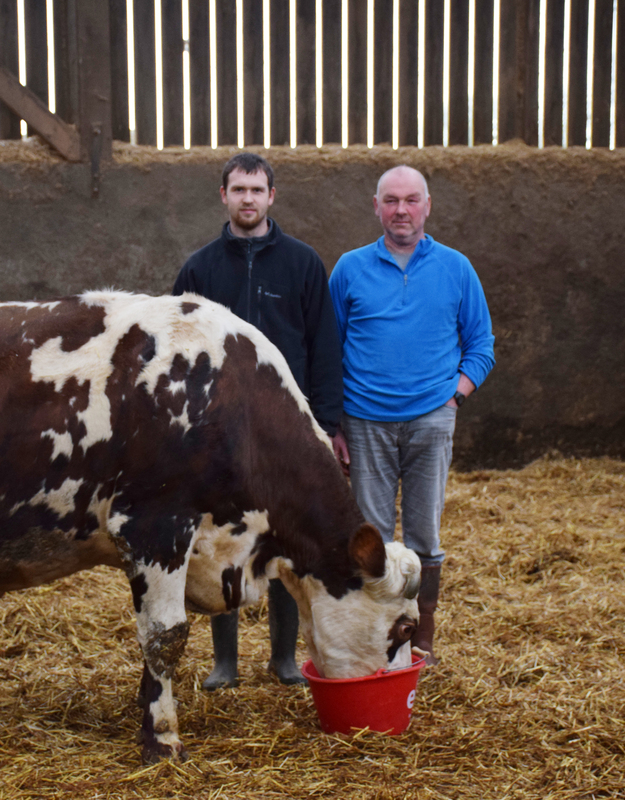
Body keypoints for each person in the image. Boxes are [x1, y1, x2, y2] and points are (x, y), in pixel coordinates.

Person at [173, 153, 343, 689]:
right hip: (218, 432)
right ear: (223, 196)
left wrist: (328, 424)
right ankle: (225, 662)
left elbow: (325, 347)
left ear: (273, 196)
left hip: (287, 431)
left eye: (257, 190)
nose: (248, 199)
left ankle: (284, 658)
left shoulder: (303, 264)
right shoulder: (200, 268)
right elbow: (175, 347)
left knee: (285, 541)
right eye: (238, 189)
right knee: (224, 539)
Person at [328, 165, 495, 666]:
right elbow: (329, 349)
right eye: (392, 200)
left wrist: (454, 398)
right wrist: (335, 423)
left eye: (411, 200)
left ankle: (422, 638)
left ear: (428, 205)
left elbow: (482, 344)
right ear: (376, 206)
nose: (402, 210)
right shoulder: (349, 269)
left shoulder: (456, 268)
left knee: (424, 536)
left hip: (431, 420)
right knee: (371, 537)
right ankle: (377, 639)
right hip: (364, 422)